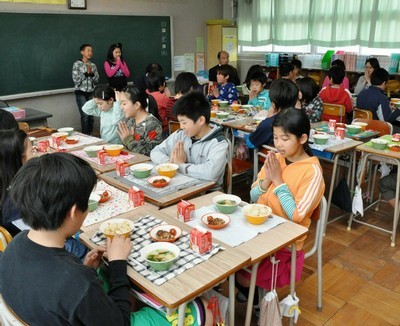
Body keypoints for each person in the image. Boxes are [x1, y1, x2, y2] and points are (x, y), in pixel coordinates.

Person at [0, 152, 212, 325]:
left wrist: (86, 269)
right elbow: (120, 321)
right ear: (74, 211)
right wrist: (119, 264)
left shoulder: (14, 246)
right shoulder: (77, 284)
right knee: (201, 308)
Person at [236, 107, 325, 302]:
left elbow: (297, 215)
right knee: (225, 259)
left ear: (302, 138)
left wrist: (278, 182)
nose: (278, 144)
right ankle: (251, 298)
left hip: (285, 244)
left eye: (285, 139)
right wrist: (266, 181)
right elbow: (252, 195)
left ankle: (256, 302)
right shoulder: (276, 158)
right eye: (275, 138)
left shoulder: (311, 172)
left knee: (239, 272)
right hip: (259, 230)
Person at [150, 92, 228, 188]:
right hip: (182, 187)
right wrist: (169, 164)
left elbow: (210, 173)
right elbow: (155, 151)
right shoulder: (181, 135)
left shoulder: (218, 143)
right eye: (179, 122)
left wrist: (180, 166)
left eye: (184, 122)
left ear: (201, 121)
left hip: (207, 192)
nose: (181, 127)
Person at [246, 78, 299, 149]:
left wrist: (268, 118)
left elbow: (250, 143)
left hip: (273, 157)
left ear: (273, 103)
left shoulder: (269, 123)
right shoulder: (301, 118)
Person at [117, 85, 162, 156]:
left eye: (124, 103)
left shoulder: (152, 124)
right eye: (121, 103)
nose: (121, 107)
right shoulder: (129, 121)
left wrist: (129, 140)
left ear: (137, 105)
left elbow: (151, 154)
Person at [72, 43, 99, 135]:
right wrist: (86, 74)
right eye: (88, 51)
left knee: (91, 115)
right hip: (81, 93)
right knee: (85, 115)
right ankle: (85, 135)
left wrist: (91, 74)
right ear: (82, 52)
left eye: (91, 51)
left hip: (91, 92)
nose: (90, 53)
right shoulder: (77, 64)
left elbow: (96, 80)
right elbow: (76, 80)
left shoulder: (93, 65)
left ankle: (90, 133)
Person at [146, 70, 171, 134]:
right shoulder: (163, 97)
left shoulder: (145, 92)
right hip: (162, 128)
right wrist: (169, 97)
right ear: (161, 85)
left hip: (147, 127)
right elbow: (171, 107)